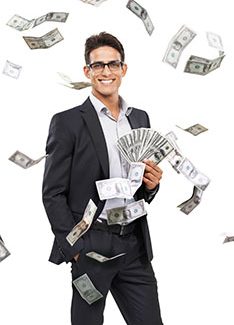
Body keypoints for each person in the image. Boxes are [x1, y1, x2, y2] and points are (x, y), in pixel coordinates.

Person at [42, 32, 164, 325]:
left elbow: (140, 187)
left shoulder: (140, 118)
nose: (106, 71)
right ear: (88, 72)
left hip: (134, 243)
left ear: (123, 69)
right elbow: (52, 192)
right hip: (91, 243)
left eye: (113, 64)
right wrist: (74, 249)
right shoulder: (68, 121)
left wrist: (152, 186)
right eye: (98, 65)